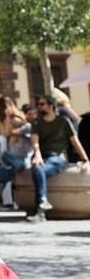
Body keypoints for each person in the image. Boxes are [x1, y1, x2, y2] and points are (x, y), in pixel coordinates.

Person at [25, 93, 90, 222]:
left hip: (58, 158)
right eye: (38, 104)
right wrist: (37, 155)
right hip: (43, 157)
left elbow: (75, 142)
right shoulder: (37, 122)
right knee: (37, 168)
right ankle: (42, 205)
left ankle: (41, 208)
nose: (39, 107)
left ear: (51, 106)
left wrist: (85, 159)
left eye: (42, 104)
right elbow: (35, 141)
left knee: (38, 171)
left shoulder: (63, 121)